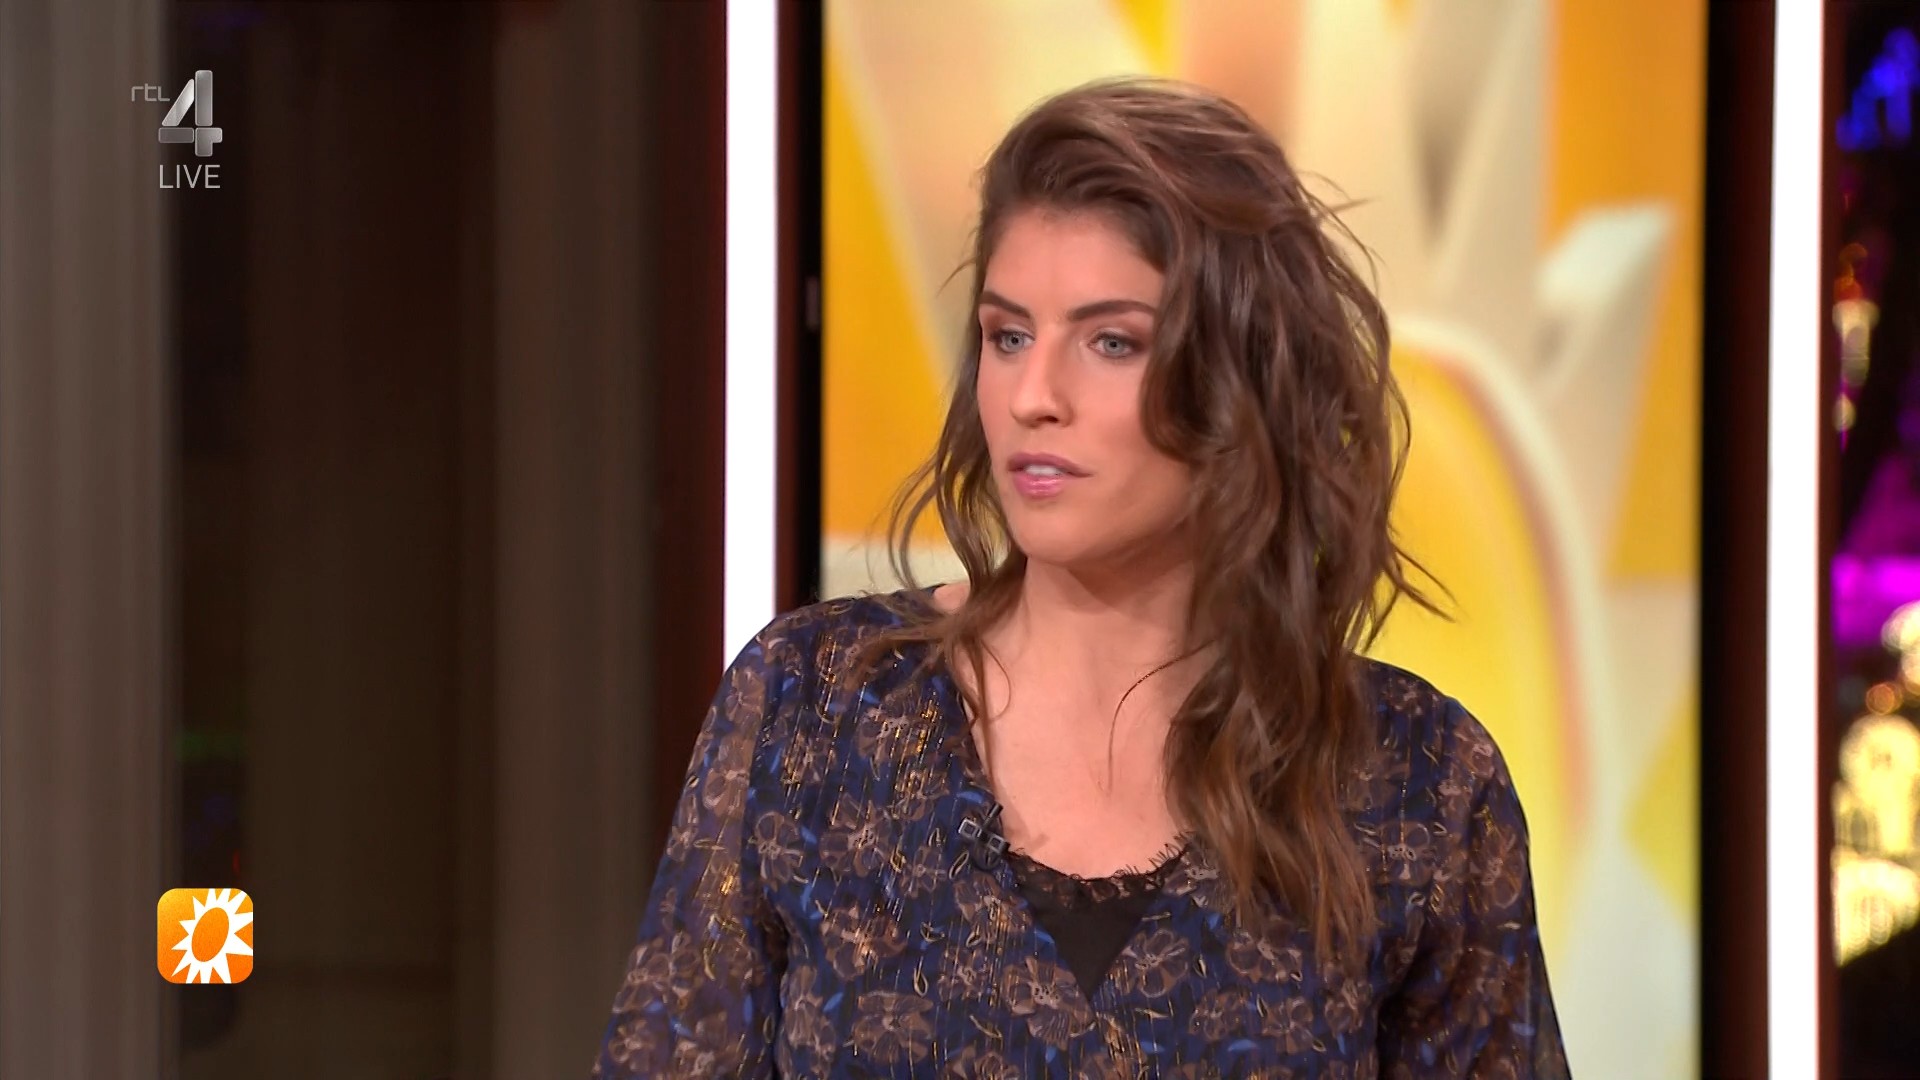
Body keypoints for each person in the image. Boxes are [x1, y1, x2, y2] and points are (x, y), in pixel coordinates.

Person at [590, 76, 1568, 1078]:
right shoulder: (814, 707)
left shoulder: (1418, 786)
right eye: (1008, 336)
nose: (1033, 395)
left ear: (1243, 379)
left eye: (1111, 342)